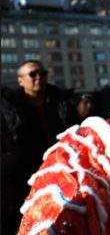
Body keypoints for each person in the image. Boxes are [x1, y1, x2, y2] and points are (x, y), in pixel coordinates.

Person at [1, 60, 77, 234]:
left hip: (59, 175)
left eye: (42, 73)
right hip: (22, 182)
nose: (39, 78)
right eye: (33, 74)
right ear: (20, 80)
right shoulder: (8, 109)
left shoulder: (62, 103)